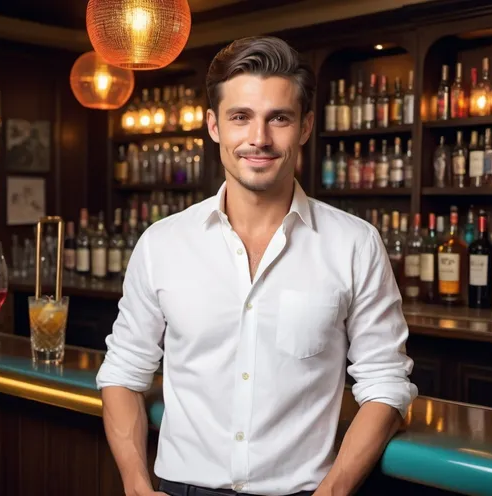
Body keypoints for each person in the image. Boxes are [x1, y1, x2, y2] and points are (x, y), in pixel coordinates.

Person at [96, 36, 418, 496]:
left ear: (305, 127)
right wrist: (135, 484)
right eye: (240, 117)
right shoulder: (162, 244)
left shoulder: (355, 244)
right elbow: (124, 373)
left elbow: (385, 381)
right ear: (213, 126)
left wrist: (333, 491)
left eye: (279, 118)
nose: (259, 139)